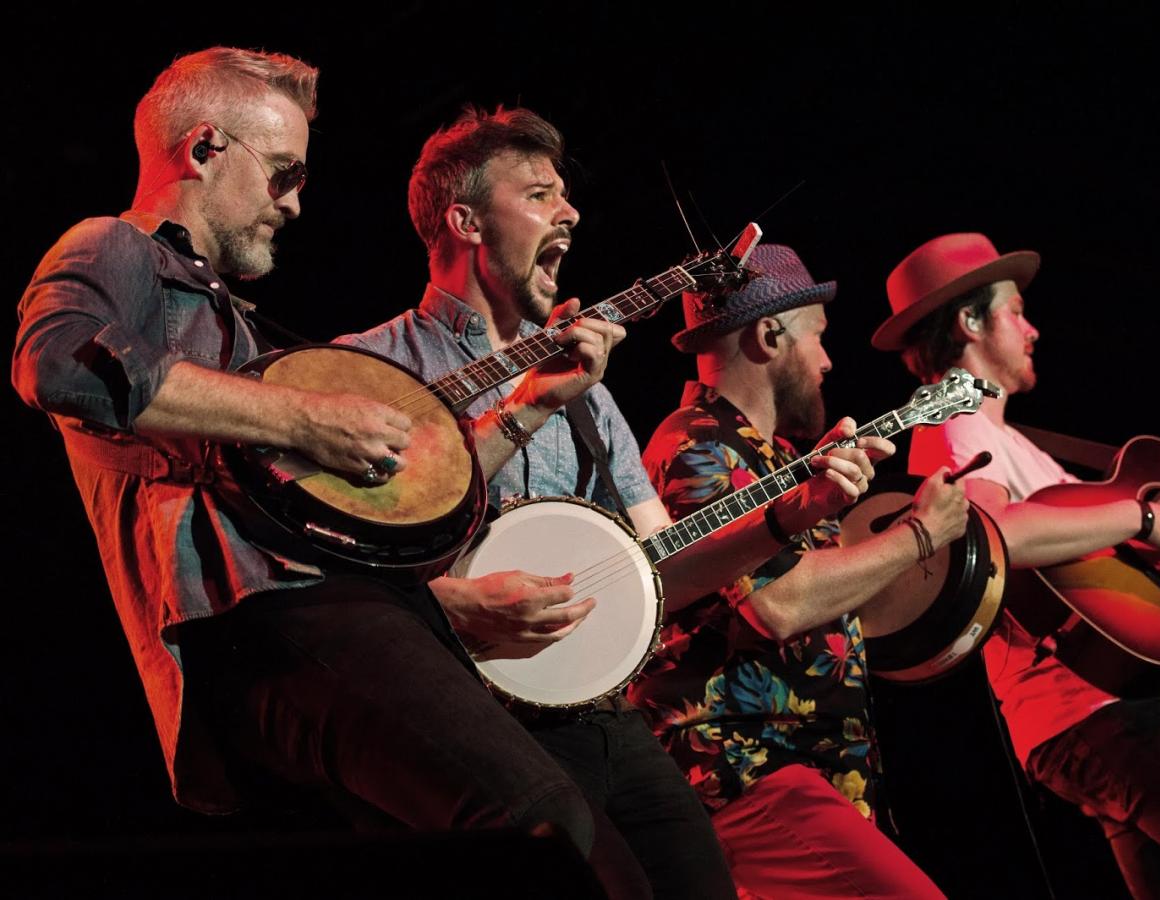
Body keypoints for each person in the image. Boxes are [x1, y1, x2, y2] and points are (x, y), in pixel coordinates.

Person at [11, 47, 673, 893]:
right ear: (206, 148)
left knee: (593, 860)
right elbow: (56, 362)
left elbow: (406, 488)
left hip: (346, 611)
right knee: (541, 821)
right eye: (283, 173)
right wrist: (307, 415)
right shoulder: (114, 247)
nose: (294, 203)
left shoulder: (238, 327)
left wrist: (532, 406)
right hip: (274, 616)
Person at [339, 108, 884, 899]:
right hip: (467, 725)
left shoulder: (589, 392)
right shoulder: (369, 370)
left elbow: (658, 568)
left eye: (565, 195)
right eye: (537, 195)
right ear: (464, 222)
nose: (571, 213)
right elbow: (337, 575)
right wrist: (448, 602)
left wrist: (785, 517)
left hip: (599, 714)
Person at [878, 232, 1160, 899]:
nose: (1032, 329)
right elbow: (989, 532)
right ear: (968, 323)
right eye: (1015, 310)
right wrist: (1139, 517)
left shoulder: (1010, 443)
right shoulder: (958, 422)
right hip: (1095, 709)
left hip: (1086, 720)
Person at [625, 243, 969, 898]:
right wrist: (920, 534)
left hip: (807, 772)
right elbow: (776, 604)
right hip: (747, 770)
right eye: (818, 339)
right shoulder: (695, 440)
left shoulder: (779, 458)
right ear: (769, 332)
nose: (827, 361)